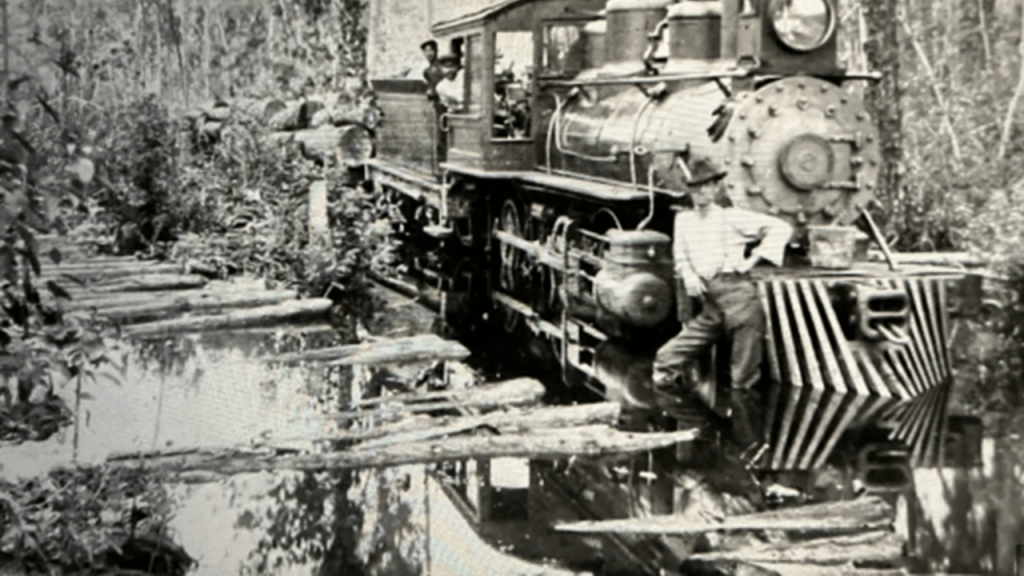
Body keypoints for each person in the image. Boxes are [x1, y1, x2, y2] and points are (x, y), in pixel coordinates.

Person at [652, 156, 792, 460]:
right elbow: (680, 257)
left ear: (716, 189)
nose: (703, 193)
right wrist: (689, 275)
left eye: (708, 187)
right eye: (697, 188)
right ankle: (702, 427)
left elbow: (781, 228)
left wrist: (752, 261)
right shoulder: (683, 220)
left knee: (741, 382)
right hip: (711, 304)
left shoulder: (731, 217)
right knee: (665, 359)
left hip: (739, 297)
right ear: (690, 191)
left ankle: (748, 445)